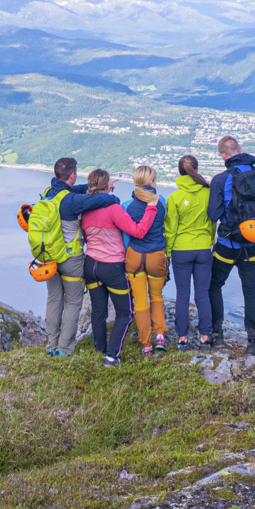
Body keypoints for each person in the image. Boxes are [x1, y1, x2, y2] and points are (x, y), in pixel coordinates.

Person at [34, 157, 118, 356]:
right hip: (70, 259)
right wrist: (111, 196)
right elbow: (99, 199)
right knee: (72, 303)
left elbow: (77, 190)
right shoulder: (71, 201)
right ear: (72, 174)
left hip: (50, 257)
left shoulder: (49, 193)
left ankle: (51, 346)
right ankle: (64, 349)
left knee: (54, 300)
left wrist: (99, 185)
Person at [78, 168, 157, 366]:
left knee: (98, 310)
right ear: (107, 186)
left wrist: (105, 189)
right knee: (125, 313)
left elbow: (87, 237)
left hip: (91, 265)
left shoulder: (85, 208)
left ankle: (100, 348)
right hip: (111, 267)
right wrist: (152, 207)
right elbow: (138, 232)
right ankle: (111, 356)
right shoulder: (113, 209)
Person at [205, 135, 255, 356]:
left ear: (222, 155)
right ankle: (253, 341)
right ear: (240, 149)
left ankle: (218, 336)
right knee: (250, 291)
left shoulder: (220, 180)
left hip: (227, 244)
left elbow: (213, 214)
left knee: (215, 286)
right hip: (253, 244)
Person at [163, 154, 215, 349]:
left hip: (181, 250)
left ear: (179, 171)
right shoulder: (208, 194)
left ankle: (182, 338)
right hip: (203, 248)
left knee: (182, 294)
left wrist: (168, 253)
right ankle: (204, 337)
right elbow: (212, 223)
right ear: (197, 170)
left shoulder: (175, 197)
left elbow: (170, 229)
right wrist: (209, 241)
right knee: (202, 294)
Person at [121, 165, 169, 355]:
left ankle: (146, 344)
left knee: (140, 301)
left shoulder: (126, 206)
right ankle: (159, 336)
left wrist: (128, 254)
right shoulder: (162, 202)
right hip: (156, 255)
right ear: (152, 182)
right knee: (156, 296)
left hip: (134, 256)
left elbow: (126, 237)